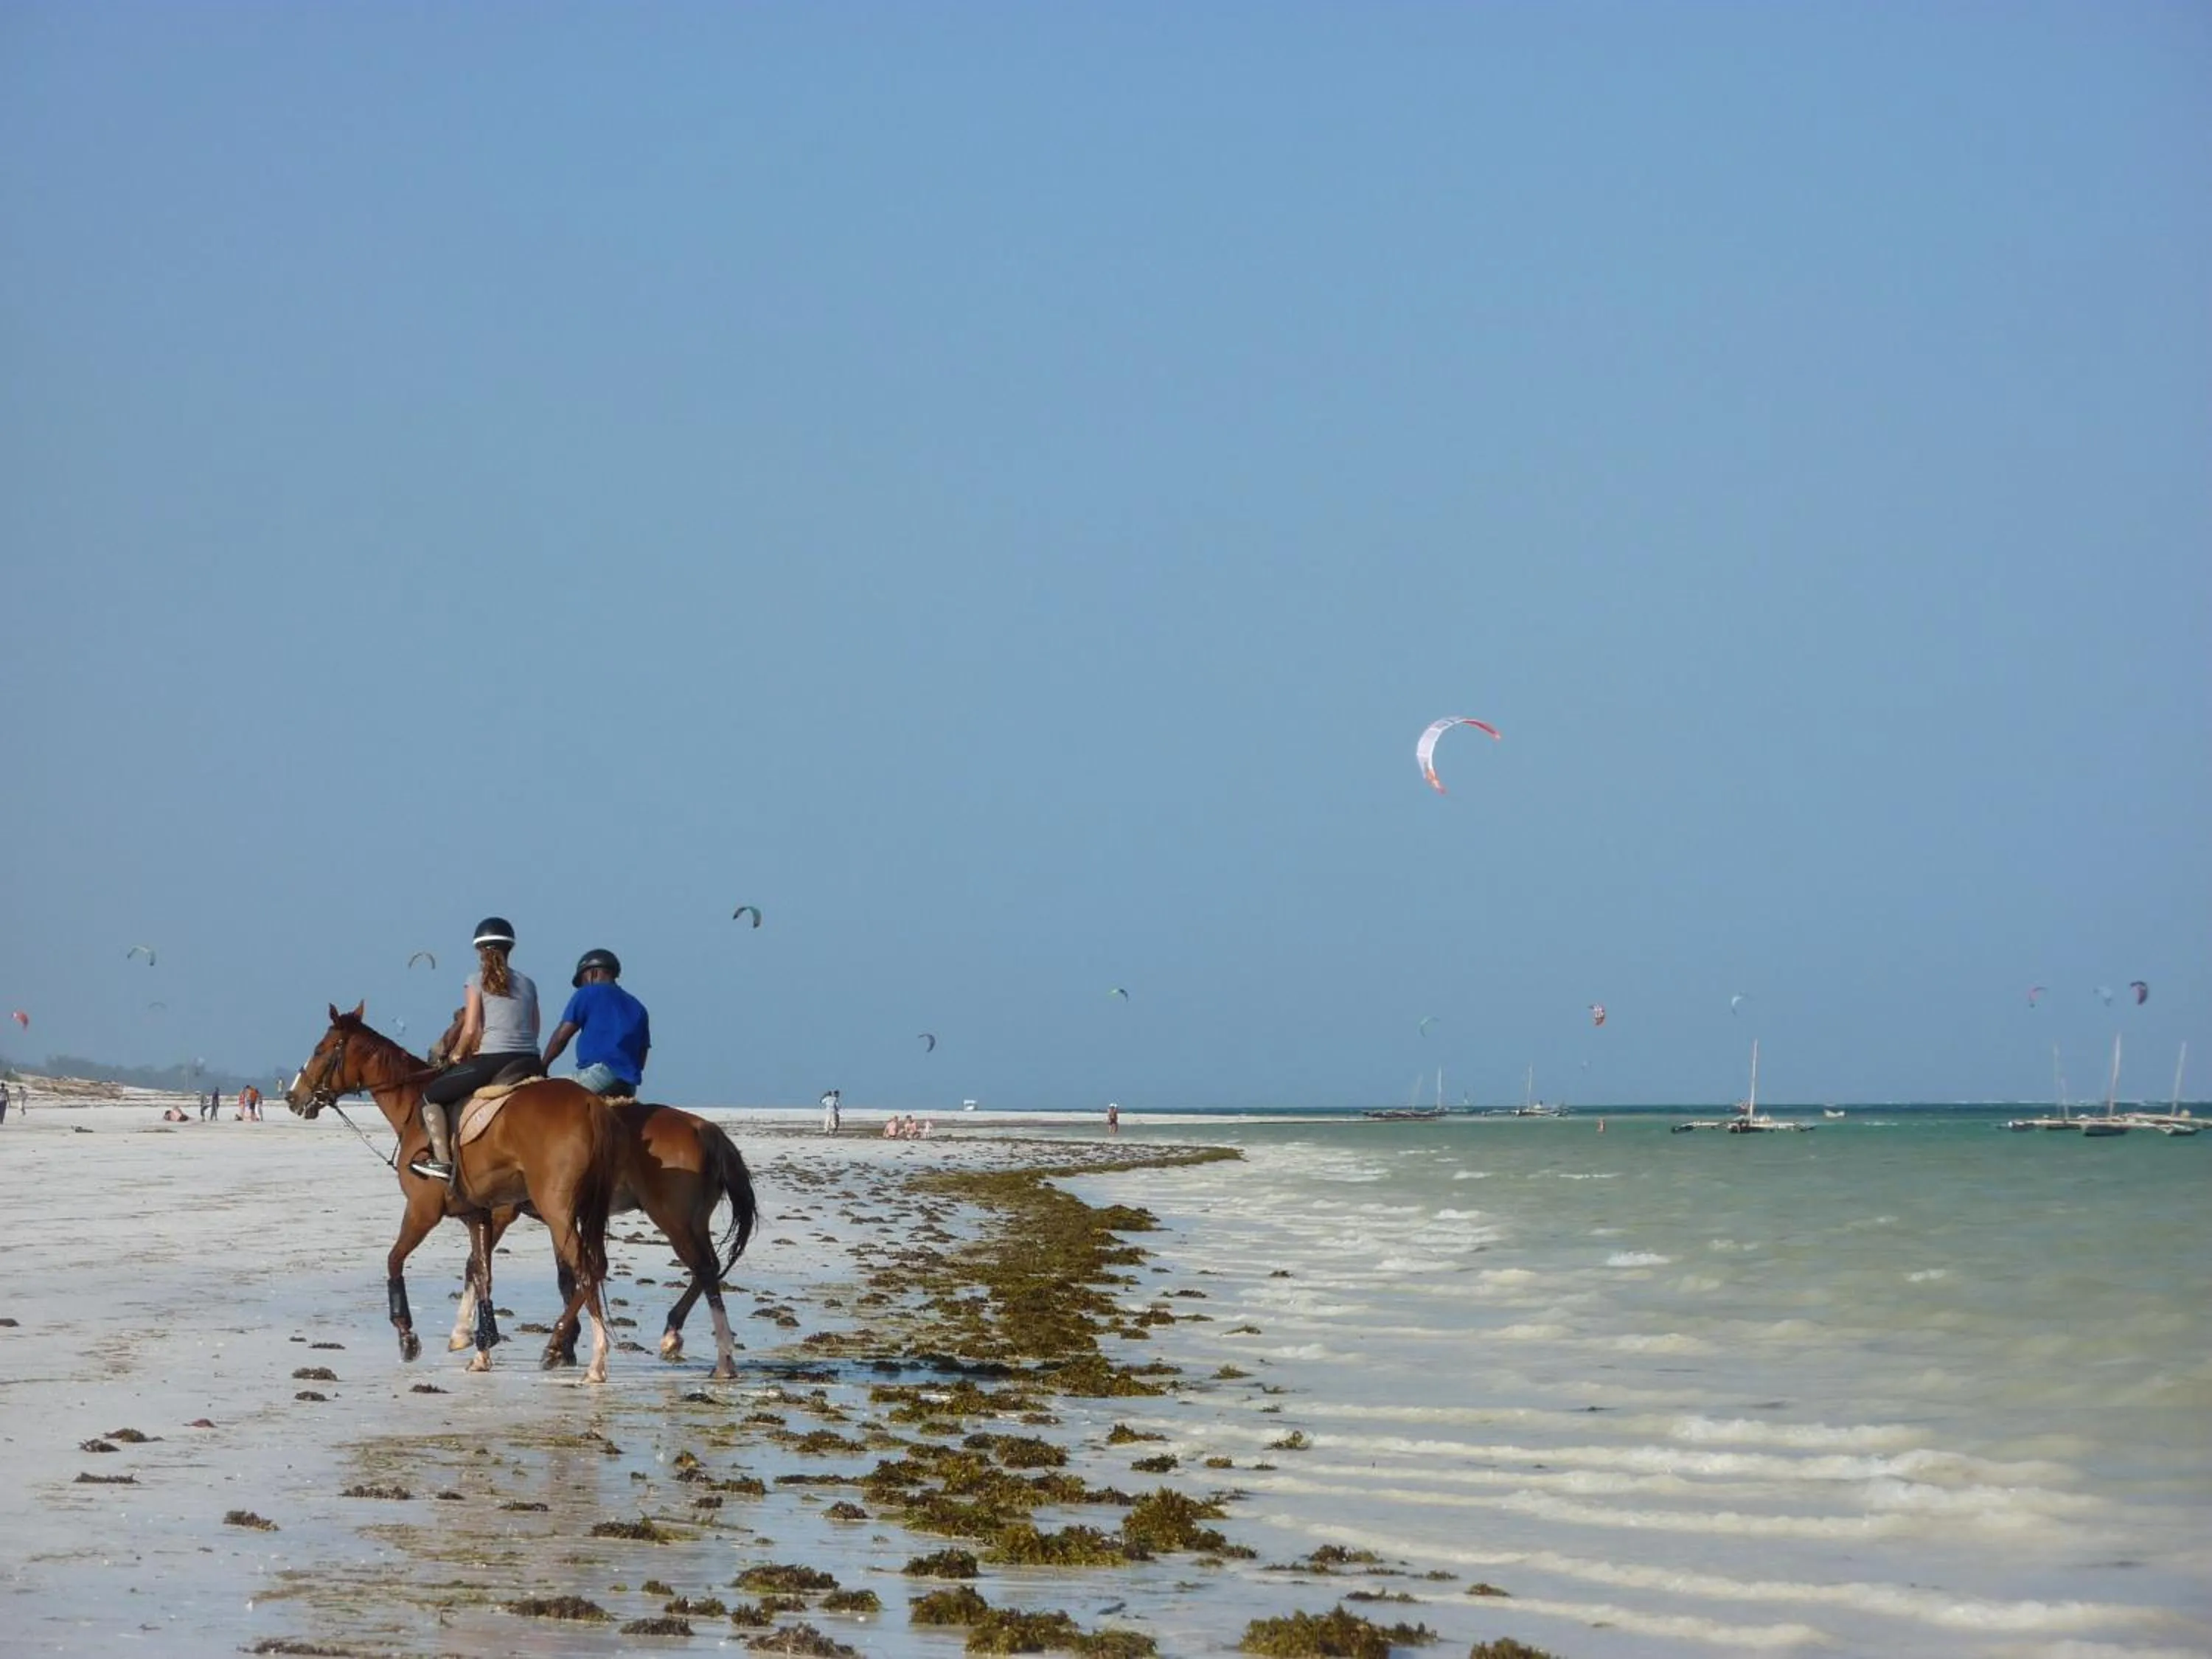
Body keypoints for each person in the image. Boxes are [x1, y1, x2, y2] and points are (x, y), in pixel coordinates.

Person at [413, 917, 541, 1183]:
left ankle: (443, 1162)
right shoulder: (529, 983)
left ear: (480, 951)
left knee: (430, 1095)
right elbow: (535, 1027)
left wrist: (457, 1054)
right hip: (530, 1061)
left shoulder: (475, 980)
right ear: (510, 949)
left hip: (494, 1059)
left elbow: (471, 1029)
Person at [541, 948, 649, 1100]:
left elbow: (562, 1036)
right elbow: (642, 1058)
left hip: (599, 1075)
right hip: (628, 1086)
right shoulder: (639, 1007)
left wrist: (543, 1066)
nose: (583, 986)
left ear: (593, 974)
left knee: (540, 1094)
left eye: (582, 981)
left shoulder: (588, 993)